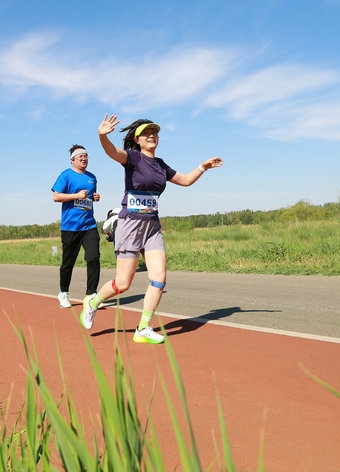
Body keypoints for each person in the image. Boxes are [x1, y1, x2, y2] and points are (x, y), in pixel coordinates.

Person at [80, 115, 223, 344]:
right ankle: (93, 302)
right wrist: (102, 136)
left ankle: (143, 328)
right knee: (123, 284)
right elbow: (112, 152)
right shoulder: (133, 158)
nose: (152, 136)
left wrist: (202, 167)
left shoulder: (160, 165)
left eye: (154, 132)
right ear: (137, 140)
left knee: (159, 278)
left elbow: (185, 180)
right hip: (130, 225)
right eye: (146, 133)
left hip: (152, 227)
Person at [51, 144, 101, 308]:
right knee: (68, 262)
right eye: (81, 157)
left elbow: (88, 199)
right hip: (70, 227)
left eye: (86, 156)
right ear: (72, 160)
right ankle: (63, 293)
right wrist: (76, 195)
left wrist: (95, 198)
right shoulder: (66, 175)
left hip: (89, 225)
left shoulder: (92, 177)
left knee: (93, 257)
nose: (84, 159)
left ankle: (91, 295)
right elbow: (56, 197)